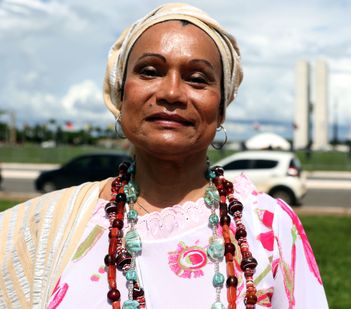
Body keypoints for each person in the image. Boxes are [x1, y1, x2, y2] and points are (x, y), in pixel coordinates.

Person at [0, 3, 328, 308]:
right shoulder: (41, 229)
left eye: (197, 79)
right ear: (120, 93)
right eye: (150, 71)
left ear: (222, 107)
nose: (171, 93)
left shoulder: (268, 227)